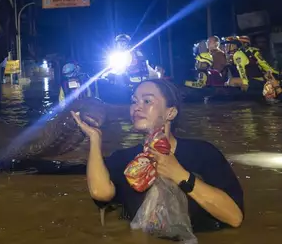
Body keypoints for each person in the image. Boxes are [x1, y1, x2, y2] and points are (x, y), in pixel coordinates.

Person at [72, 79, 244, 232]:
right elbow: (100, 192)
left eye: (147, 101)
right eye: (134, 101)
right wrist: (95, 139)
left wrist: (178, 174)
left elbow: (234, 217)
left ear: (171, 113)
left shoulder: (202, 153)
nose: (137, 107)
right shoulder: (124, 158)